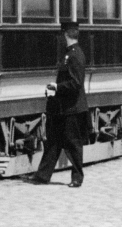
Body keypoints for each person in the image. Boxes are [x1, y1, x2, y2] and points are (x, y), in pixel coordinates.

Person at [31, 18, 89, 186]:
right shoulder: (70, 53)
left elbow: (76, 83)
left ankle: (77, 178)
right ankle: (42, 176)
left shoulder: (75, 55)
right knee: (53, 142)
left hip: (73, 108)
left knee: (73, 144)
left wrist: (57, 87)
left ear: (65, 35)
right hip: (64, 108)